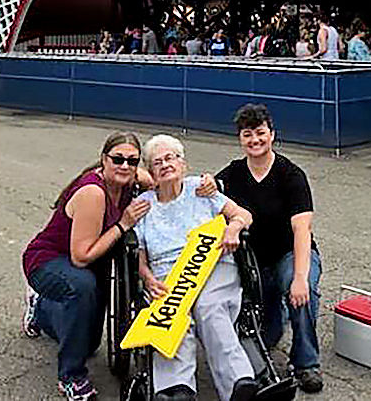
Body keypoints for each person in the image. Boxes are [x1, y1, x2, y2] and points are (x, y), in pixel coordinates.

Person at [21, 132, 154, 401]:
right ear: (104, 159)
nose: (125, 166)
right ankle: (71, 377)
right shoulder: (93, 192)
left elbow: (158, 180)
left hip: (90, 261)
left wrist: (204, 185)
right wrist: (123, 224)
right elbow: (81, 257)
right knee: (82, 287)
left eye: (132, 161)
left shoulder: (129, 179)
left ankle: (40, 309)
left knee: (89, 343)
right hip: (50, 260)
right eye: (118, 159)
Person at [136, 135, 258, 401]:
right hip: (167, 273)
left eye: (170, 158)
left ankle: (238, 382)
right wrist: (146, 277)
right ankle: (176, 388)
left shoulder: (200, 189)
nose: (165, 164)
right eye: (157, 162)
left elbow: (243, 214)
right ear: (150, 172)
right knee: (174, 314)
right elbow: (140, 256)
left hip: (212, 263)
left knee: (209, 306)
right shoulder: (143, 205)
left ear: (183, 164)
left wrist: (233, 229)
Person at [216, 104, 323, 394]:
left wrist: (299, 277)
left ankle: (306, 363)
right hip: (254, 263)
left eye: (260, 133)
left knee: (301, 293)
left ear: (272, 134)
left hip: (290, 254)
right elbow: (205, 195)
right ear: (240, 139)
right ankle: (274, 325)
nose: (255, 140)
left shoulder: (291, 175)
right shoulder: (232, 174)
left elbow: (302, 230)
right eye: (247, 134)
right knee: (267, 334)